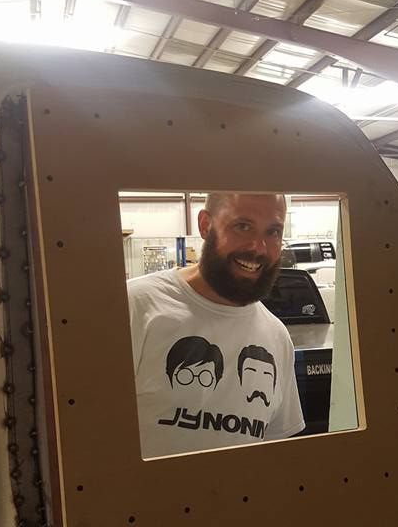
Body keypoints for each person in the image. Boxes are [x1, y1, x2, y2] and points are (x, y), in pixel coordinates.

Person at [127, 192, 305, 457]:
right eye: (242, 226)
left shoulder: (276, 336)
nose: (258, 247)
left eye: (273, 231)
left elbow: (275, 451)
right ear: (205, 225)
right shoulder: (135, 307)